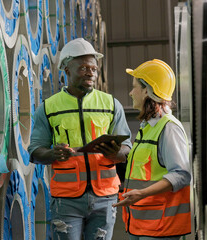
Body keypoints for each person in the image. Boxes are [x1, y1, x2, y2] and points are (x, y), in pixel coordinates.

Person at [28, 38, 132, 240]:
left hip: (105, 197)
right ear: (66, 69)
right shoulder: (49, 108)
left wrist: (116, 153)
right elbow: (34, 152)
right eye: (83, 67)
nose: (91, 72)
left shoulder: (111, 104)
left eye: (93, 68)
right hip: (67, 200)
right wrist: (52, 153)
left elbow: (127, 149)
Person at [113, 59, 191, 239]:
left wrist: (141, 193)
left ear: (147, 90)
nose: (131, 92)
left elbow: (181, 174)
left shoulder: (169, 128)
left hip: (160, 228)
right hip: (141, 225)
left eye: (135, 87)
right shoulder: (147, 127)